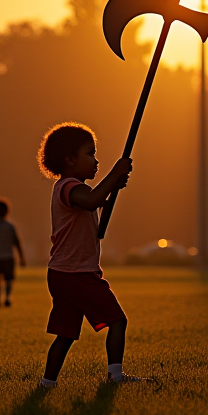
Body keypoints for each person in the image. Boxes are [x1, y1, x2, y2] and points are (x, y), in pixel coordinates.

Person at [37, 122, 148, 387]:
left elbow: (97, 201)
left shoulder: (75, 189)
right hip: (77, 273)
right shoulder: (69, 187)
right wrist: (114, 174)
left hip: (62, 273)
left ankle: (47, 383)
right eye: (91, 154)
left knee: (65, 335)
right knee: (117, 321)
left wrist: (114, 186)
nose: (96, 161)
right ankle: (115, 375)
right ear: (70, 160)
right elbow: (92, 201)